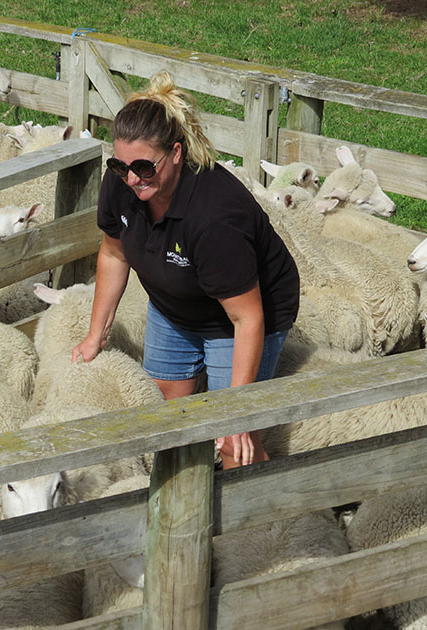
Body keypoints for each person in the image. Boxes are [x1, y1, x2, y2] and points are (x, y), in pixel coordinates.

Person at [71, 71, 300, 468]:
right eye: (120, 165)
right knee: (166, 422)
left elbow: (248, 318)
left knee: (233, 439)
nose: (131, 178)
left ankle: (259, 524)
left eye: (144, 167)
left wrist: (239, 413)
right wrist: (95, 336)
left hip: (238, 318)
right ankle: (180, 516)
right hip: (174, 305)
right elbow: (113, 254)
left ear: (176, 153)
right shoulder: (122, 183)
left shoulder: (213, 218)